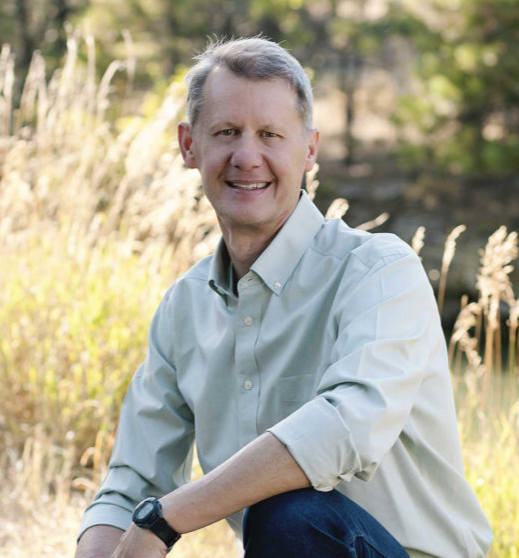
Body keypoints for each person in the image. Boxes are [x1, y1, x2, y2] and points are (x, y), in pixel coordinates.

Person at [74, 37, 492, 558]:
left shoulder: (381, 271)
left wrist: (165, 519)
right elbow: (131, 485)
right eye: (226, 132)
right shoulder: (185, 308)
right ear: (188, 145)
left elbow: (344, 430)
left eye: (270, 135)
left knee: (293, 514)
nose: (247, 157)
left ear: (309, 150)